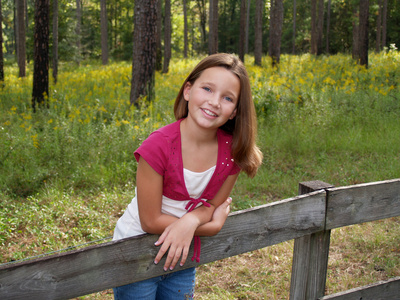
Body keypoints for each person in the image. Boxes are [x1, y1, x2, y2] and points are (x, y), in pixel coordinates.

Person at [113, 53, 263, 299]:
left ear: (235, 111)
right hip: (136, 249)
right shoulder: (157, 146)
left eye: (227, 98)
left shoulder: (232, 153)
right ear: (188, 91)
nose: (214, 102)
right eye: (207, 89)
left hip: (182, 249)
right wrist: (211, 227)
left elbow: (211, 205)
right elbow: (149, 221)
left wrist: (191, 222)